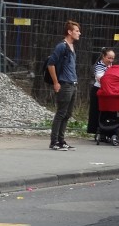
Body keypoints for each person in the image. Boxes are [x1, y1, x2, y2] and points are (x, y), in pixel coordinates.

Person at [46, 20, 81, 151]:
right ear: (69, 32)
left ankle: (61, 140)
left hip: (73, 83)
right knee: (61, 113)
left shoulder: (72, 47)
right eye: (76, 31)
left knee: (67, 113)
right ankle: (54, 141)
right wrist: (56, 82)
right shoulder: (62, 46)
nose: (79, 33)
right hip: (64, 84)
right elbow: (51, 64)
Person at [87, 46, 115, 140]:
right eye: (109, 58)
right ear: (103, 57)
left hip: (108, 91)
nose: (111, 60)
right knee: (97, 112)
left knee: (107, 112)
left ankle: (106, 131)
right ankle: (97, 131)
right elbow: (101, 78)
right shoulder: (99, 65)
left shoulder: (110, 66)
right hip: (98, 89)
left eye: (112, 58)